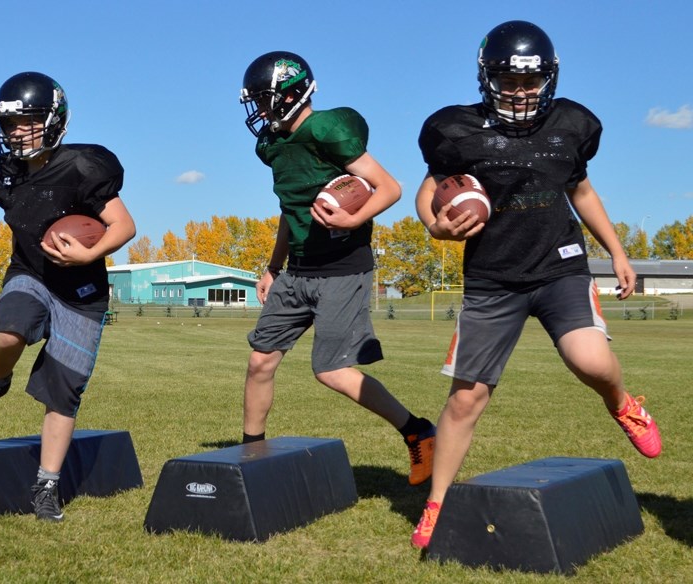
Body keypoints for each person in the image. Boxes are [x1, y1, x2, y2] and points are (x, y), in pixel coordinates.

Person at [411, 21, 662, 549]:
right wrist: (435, 226)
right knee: (465, 400)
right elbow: (432, 187)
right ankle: (435, 504)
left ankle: (623, 403)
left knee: (590, 361)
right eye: (509, 80)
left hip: (559, 266)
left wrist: (617, 252)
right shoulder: (455, 130)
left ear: (549, 78)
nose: (521, 92)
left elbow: (582, 191)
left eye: (531, 81)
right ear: (487, 77)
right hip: (492, 278)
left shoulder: (572, 123)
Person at [238, 51, 436, 486]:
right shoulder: (272, 145)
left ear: (291, 94)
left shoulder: (327, 128)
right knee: (260, 361)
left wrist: (352, 218)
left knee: (330, 370)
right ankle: (251, 455)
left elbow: (390, 187)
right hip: (298, 269)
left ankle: (417, 430)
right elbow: (289, 212)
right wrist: (273, 267)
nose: (260, 109)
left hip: (344, 268)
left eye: (265, 99)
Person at [0, 71, 136, 522]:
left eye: (28, 120)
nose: (17, 131)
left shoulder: (85, 167)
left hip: (82, 292)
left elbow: (125, 227)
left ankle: (46, 486)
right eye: (11, 123)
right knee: (10, 330)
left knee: (63, 392)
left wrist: (89, 251)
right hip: (31, 273)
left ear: (53, 121)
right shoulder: (1, 176)